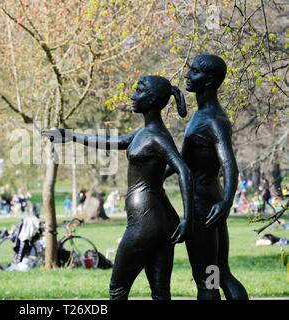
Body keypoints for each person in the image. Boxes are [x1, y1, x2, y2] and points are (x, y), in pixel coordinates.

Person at [43, 75, 193, 300]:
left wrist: (188, 219)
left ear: (152, 100)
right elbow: (111, 141)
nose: (133, 96)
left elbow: (184, 170)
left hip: (145, 223)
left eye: (139, 91)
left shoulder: (155, 137)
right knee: (160, 293)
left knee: (118, 289)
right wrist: (71, 136)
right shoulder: (146, 133)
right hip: (161, 219)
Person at [165, 54, 248, 300]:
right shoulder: (202, 115)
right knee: (219, 272)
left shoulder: (213, 120)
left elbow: (229, 164)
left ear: (209, 80)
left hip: (204, 206)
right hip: (211, 200)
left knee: (206, 278)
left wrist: (226, 202)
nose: (187, 75)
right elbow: (183, 161)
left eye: (194, 71)